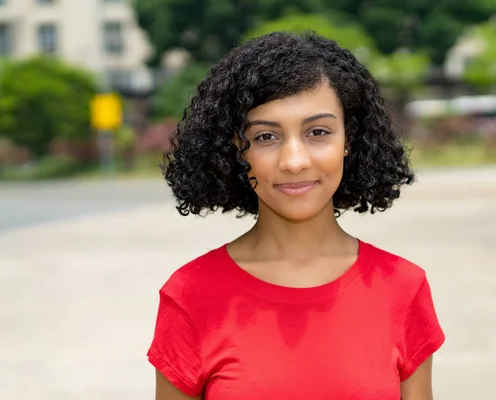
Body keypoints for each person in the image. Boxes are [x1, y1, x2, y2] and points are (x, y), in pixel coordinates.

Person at [147, 31, 445, 400]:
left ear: (349, 139)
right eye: (265, 137)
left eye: (317, 132)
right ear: (236, 150)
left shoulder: (403, 287)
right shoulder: (190, 294)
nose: (294, 161)